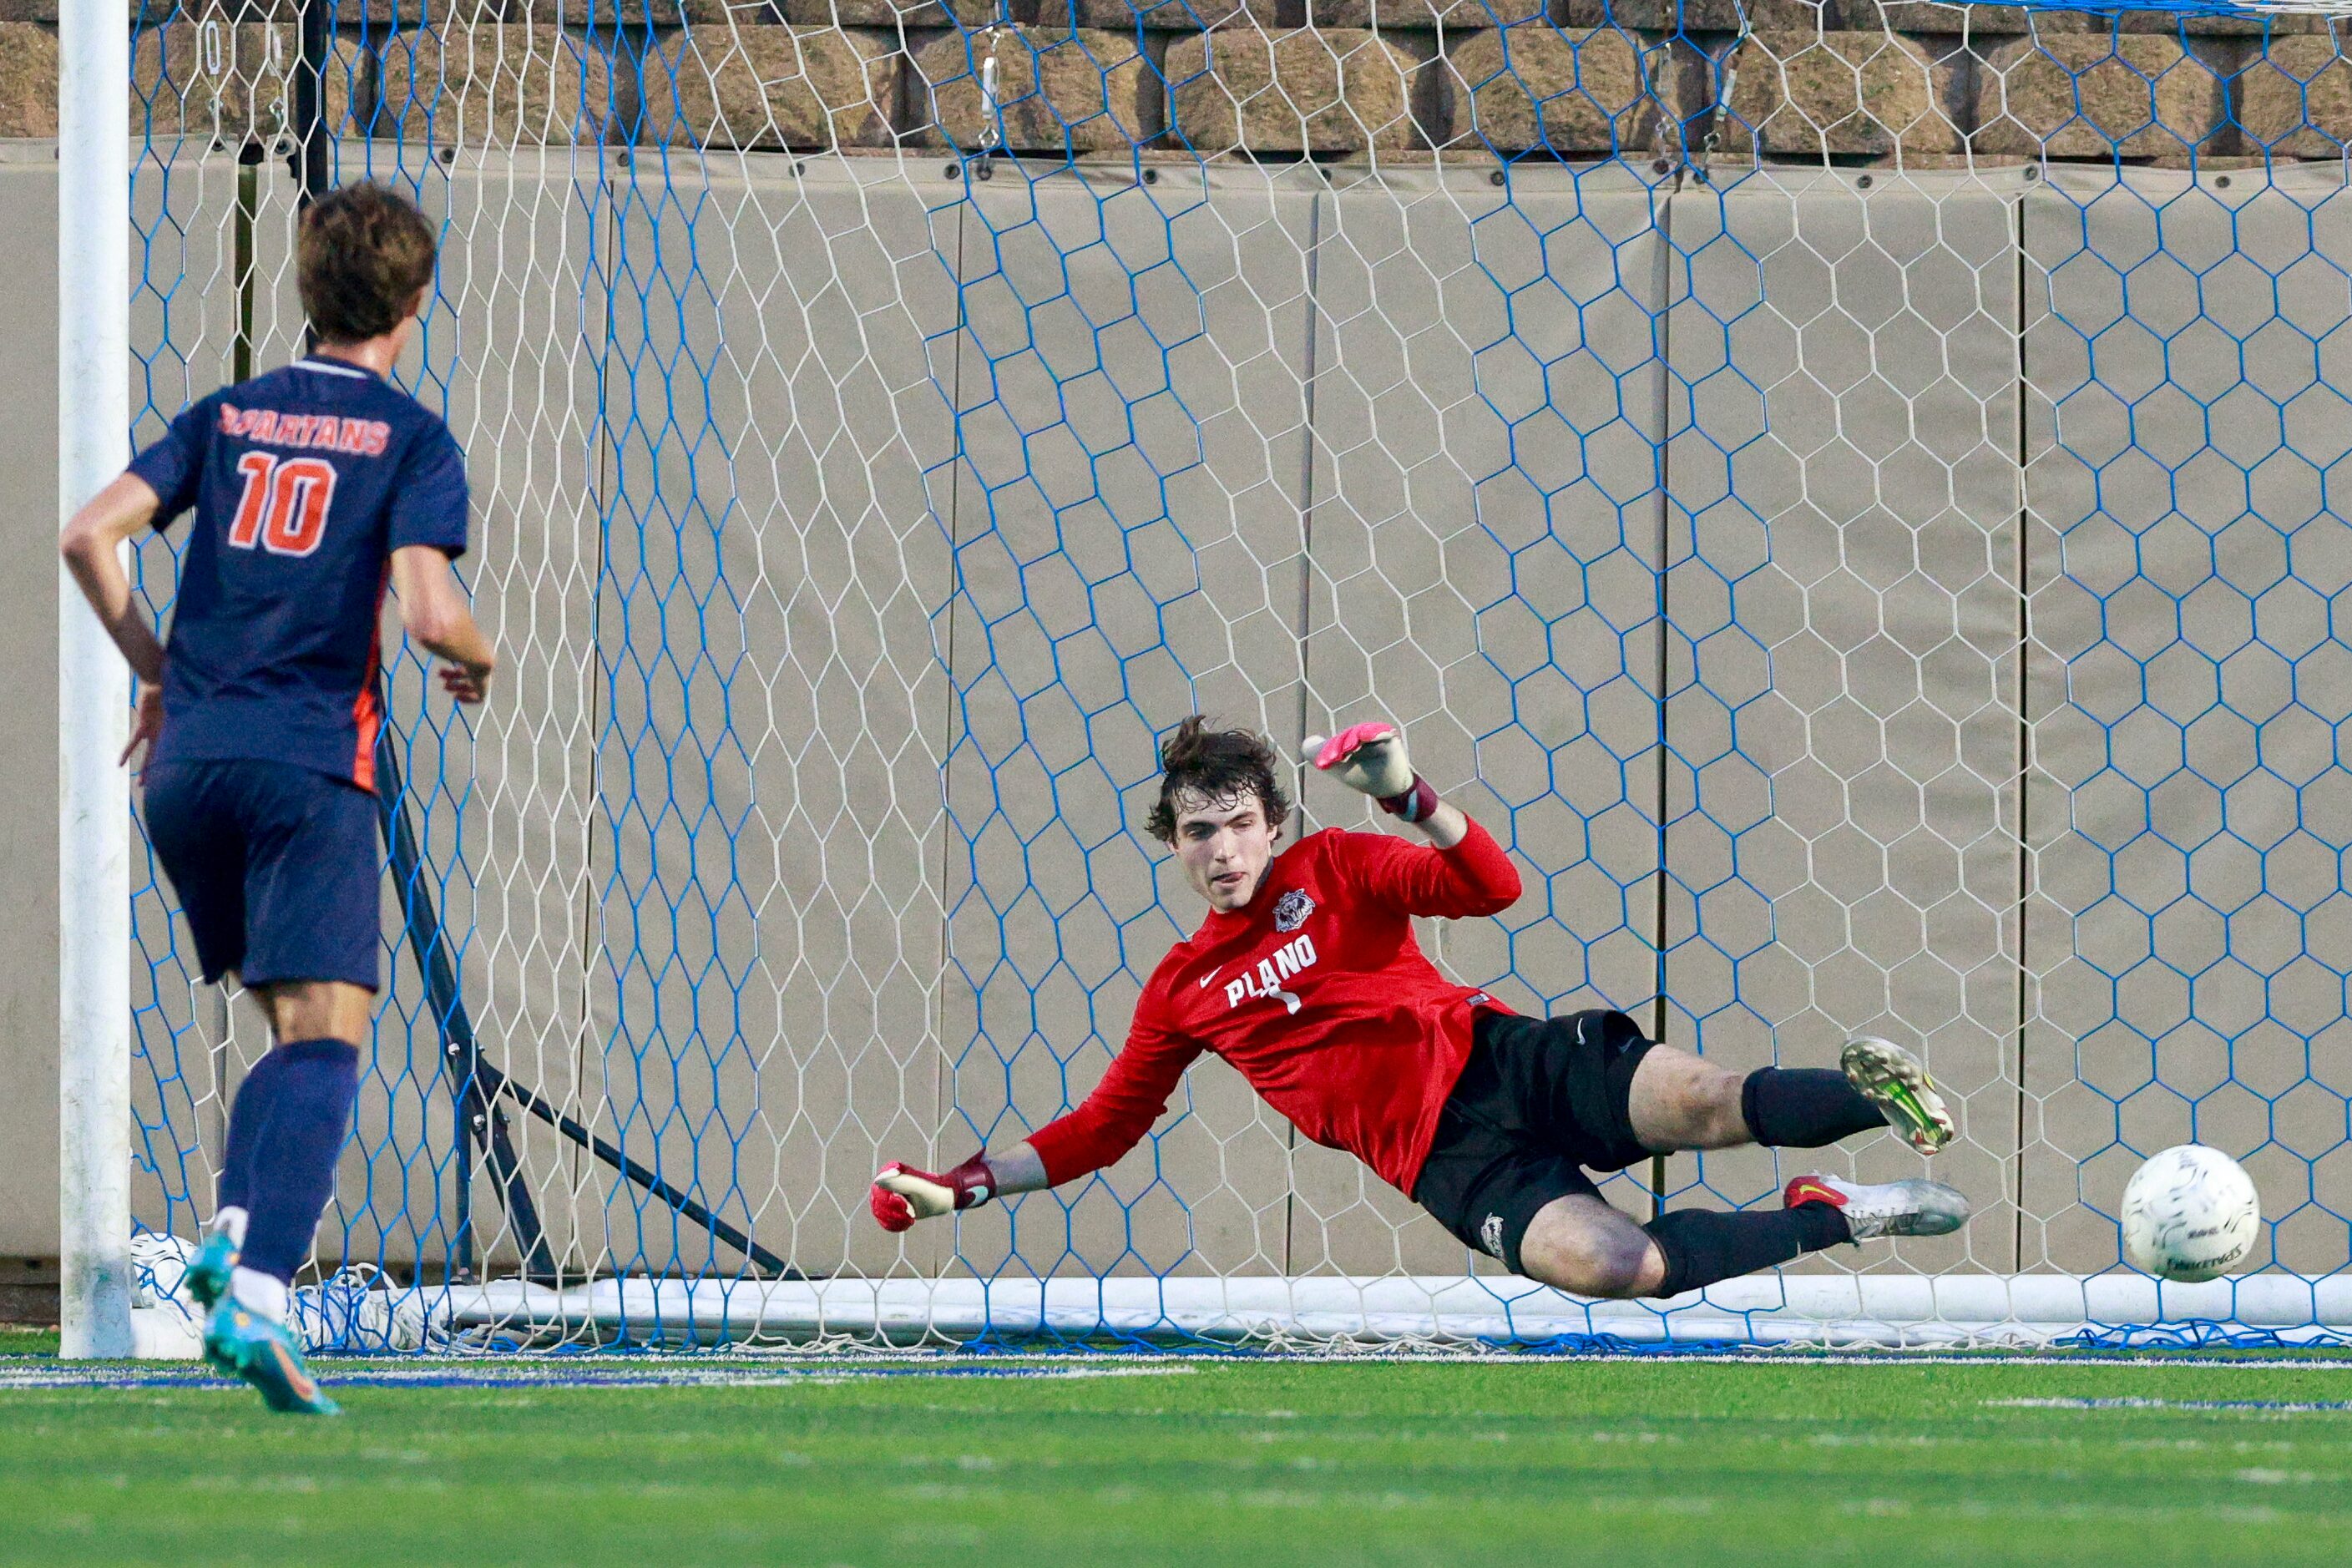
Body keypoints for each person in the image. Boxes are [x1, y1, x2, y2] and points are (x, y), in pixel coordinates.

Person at [871, 716, 1969, 1302]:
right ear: (1174, 840)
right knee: (1620, 1269)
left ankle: (1881, 1098)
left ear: (1272, 823)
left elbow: (1489, 889)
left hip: (1503, 1060)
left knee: (1708, 1099)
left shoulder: (1339, 863)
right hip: (1449, 1161)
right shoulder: (1183, 990)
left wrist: (1408, 796)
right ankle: (1837, 1212)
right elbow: (1103, 1125)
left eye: (1237, 823)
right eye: (1196, 832)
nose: (1220, 849)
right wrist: (959, 1184)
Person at [59, 182, 495, 1413]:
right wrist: (481, 654)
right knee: (330, 1039)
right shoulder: (412, 440)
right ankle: (256, 1295)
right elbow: (428, 611)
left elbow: (90, 535)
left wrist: (161, 672)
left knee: (289, 1033)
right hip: (308, 766)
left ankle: (229, 1244)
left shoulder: (231, 414)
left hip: (186, 769)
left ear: (306, 295)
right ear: (414, 303)